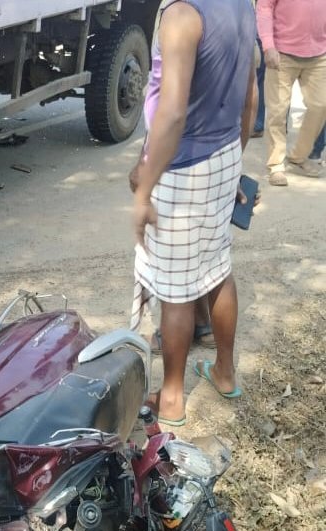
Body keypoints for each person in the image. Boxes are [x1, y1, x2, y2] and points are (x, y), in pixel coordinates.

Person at [129, 0, 257, 426]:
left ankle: (170, 398)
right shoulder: (241, 5)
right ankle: (224, 371)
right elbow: (250, 99)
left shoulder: (182, 16)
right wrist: (233, 163)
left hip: (183, 166)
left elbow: (172, 114)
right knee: (217, 268)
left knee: (176, 291)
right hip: (225, 152)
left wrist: (144, 189)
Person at [257, 0, 326, 186]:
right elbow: (264, 7)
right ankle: (276, 165)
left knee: (321, 105)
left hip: (319, 53)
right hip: (281, 53)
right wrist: (268, 45)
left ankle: (298, 157)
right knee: (277, 112)